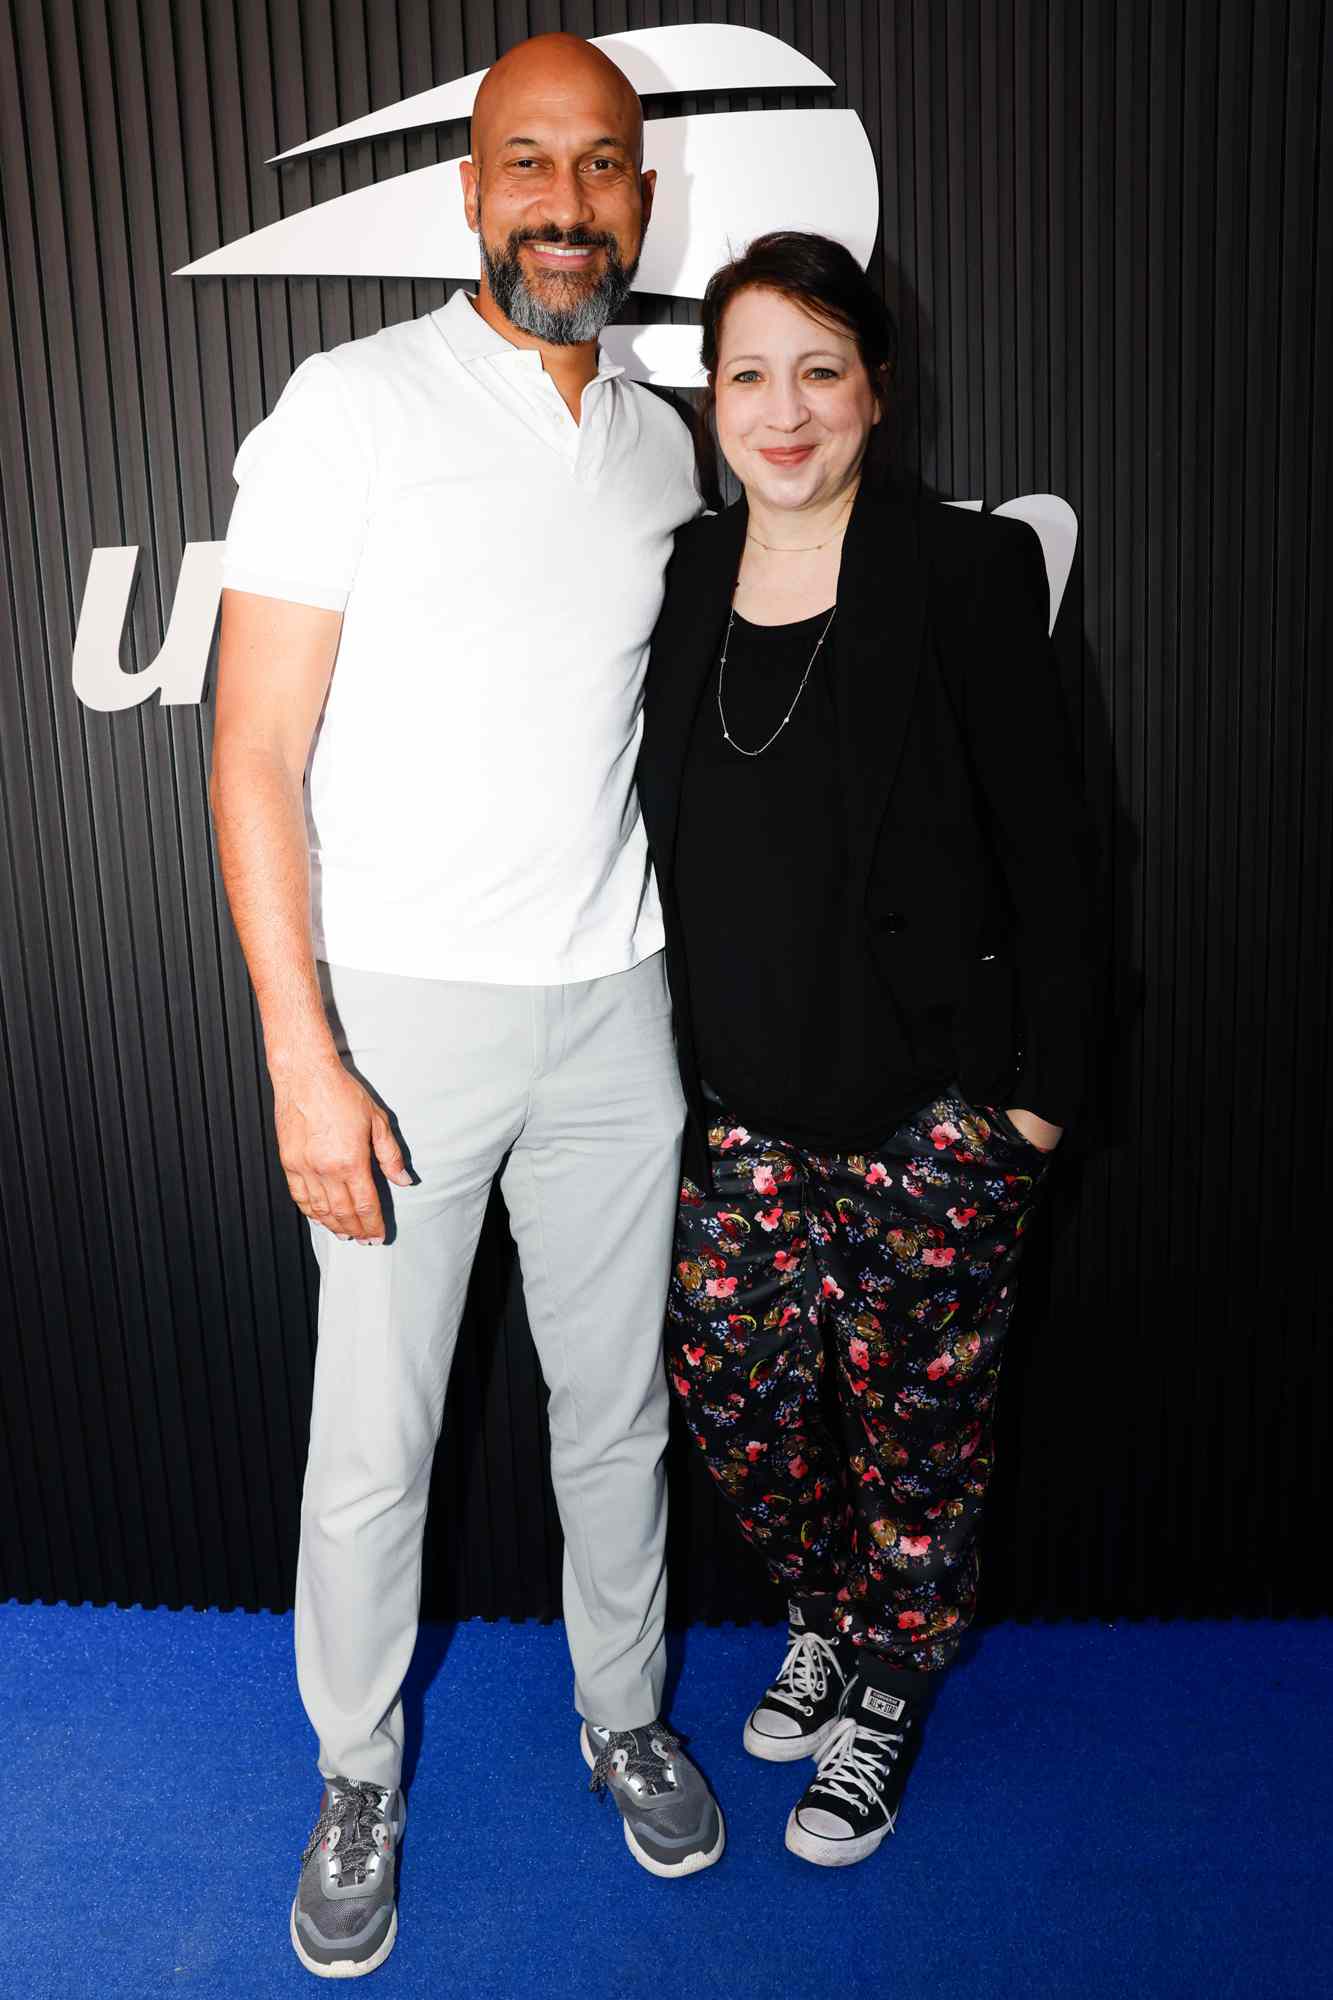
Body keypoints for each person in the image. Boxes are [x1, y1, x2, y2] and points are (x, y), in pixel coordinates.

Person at [211, 31, 723, 1982]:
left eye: (600, 167)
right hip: (399, 1029)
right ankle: (356, 1777)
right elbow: (253, 749)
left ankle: (624, 1714)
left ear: (641, 202)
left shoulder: (668, 441)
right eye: (529, 161)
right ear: (468, 190)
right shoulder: (347, 404)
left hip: (618, 1008)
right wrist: (301, 1051)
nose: (565, 202)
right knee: (377, 1433)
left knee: (614, 1415)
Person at [637, 231, 1099, 1869]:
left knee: (916, 1434)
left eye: (818, 371)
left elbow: (1063, 855)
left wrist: (1026, 1114)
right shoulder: (683, 575)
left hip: (934, 1121)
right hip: (743, 1122)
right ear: (709, 399)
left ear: (875, 393)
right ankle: (827, 1614)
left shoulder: (966, 577)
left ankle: (891, 1677)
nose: (782, 409)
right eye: (747, 373)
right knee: (736, 1400)